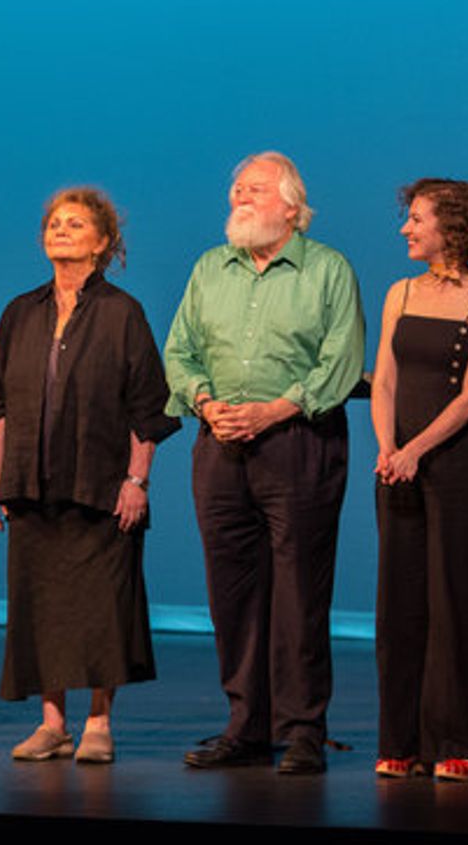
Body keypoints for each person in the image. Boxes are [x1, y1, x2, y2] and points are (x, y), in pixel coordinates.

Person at [164, 151, 364, 774]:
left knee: (300, 591)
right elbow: (179, 351)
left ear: (292, 207)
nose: (239, 199)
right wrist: (205, 402)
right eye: (236, 191)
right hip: (220, 444)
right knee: (232, 592)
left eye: (254, 190)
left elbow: (340, 361)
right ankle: (246, 726)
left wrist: (273, 411)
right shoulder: (210, 268)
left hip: (298, 441)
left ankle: (302, 730)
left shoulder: (327, 270)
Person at [0, 188, 178, 763]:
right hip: (30, 484)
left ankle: (98, 722)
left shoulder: (122, 313)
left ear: (103, 242)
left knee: (100, 609)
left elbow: (147, 408)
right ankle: (52, 724)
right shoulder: (20, 312)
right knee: (41, 607)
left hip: (100, 486)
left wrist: (136, 481)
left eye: (76, 223)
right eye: (54, 223)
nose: (60, 230)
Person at [370, 179, 468, 781]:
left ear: (450, 227)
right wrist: (388, 448)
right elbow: (384, 380)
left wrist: (416, 451)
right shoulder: (400, 291)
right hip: (396, 464)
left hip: (456, 465)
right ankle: (401, 741)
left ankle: (464, 743)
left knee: (457, 598)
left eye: (417, 219)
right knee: (399, 601)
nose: (406, 229)